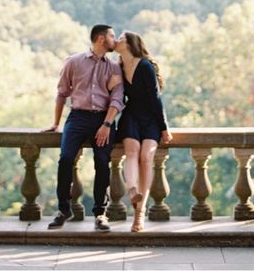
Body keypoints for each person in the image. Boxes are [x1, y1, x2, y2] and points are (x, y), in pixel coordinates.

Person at [43, 24, 124, 232]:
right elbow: (61, 93)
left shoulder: (114, 67)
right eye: (112, 36)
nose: (114, 40)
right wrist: (55, 123)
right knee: (66, 158)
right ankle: (63, 210)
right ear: (100, 39)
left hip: (103, 119)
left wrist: (107, 124)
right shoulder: (73, 62)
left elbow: (117, 98)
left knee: (102, 161)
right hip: (78, 117)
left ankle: (100, 214)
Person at [114, 30, 172, 232]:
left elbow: (156, 98)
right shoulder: (118, 66)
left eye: (120, 38)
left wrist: (164, 128)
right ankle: (131, 190)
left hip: (150, 118)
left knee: (146, 157)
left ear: (130, 44)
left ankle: (139, 215)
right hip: (131, 116)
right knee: (131, 151)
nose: (116, 40)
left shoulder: (145, 66)